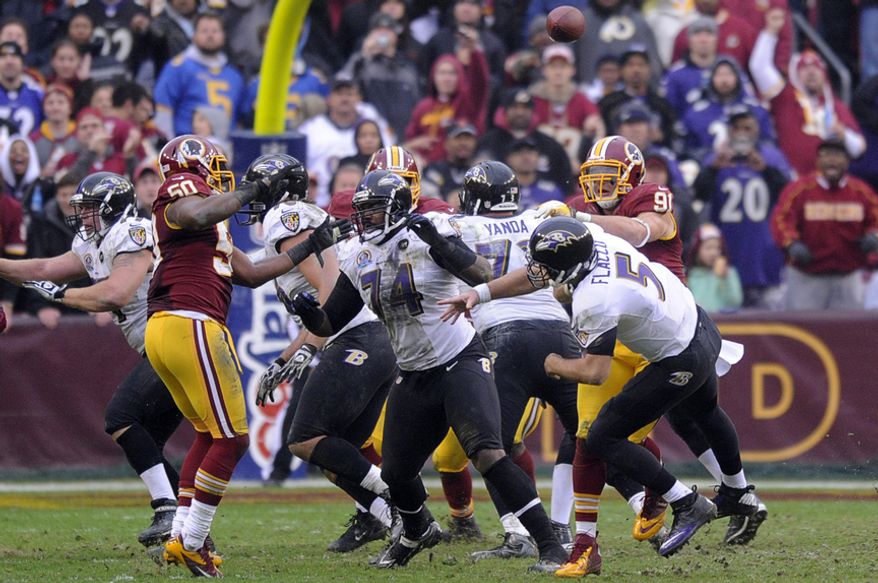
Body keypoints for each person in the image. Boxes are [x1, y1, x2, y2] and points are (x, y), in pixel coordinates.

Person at [439, 216, 763, 567]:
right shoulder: (592, 237)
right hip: (699, 324)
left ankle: (685, 501)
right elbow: (537, 275)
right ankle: (734, 490)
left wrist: (555, 364)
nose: (540, 272)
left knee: (602, 437)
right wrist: (480, 292)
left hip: (678, 357)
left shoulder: (595, 298)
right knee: (705, 413)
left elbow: (594, 372)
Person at [292, 169, 569, 572]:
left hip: (460, 360)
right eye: (361, 212)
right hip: (414, 372)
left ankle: (549, 545)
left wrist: (438, 243)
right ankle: (417, 530)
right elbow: (330, 323)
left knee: (489, 454)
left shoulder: (433, 229)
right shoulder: (358, 255)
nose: (363, 220)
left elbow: (481, 272)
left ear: (397, 209)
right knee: (397, 472)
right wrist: (309, 313)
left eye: (371, 212)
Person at [146, 134, 349, 577]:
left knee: (207, 435)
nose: (222, 177)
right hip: (190, 320)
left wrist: (310, 246)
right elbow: (198, 209)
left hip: (173, 326)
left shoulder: (208, 225)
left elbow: (254, 274)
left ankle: (182, 535)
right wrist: (253, 190)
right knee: (233, 439)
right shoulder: (183, 192)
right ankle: (194, 543)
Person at [0, 172, 184, 547]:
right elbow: (41, 269)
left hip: (176, 340)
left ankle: (168, 510)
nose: (83, 217)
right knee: (143, 440)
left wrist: (62, 295)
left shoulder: (132, 232)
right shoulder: (93, 239)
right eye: (81, 209)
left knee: (121, 418)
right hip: (160, 346)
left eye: (90, 210)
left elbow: (116, 293)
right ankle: (187, 525)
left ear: (113, 208)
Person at [247, 154, 399, 552]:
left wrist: (309, 347)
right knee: (335, 456)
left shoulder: (287, 217)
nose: (249, 196)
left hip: (357, 336)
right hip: (365, 337)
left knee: (305, 439)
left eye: (257, 187)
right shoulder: (298, 219)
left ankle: (404, 504)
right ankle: (380, 517)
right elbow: (318, 310)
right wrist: (284, 359)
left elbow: (330, 288)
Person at [451, 161, 581, 558]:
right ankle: (665, 500)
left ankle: (519, 532)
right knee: (593, 432)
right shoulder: (540, 219)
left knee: (494, 446)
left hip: (504, 337)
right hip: (560, 331)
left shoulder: (459, 226)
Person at [749, 9, 865, 177]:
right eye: (805, 69)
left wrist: (843, 134)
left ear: (824, 74)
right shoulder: (784, 98)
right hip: (791, 180)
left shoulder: (835, 107)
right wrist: (770, 32)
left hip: (826, 185)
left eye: (815, 68)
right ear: (795, 75)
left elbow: (859, 149)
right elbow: (759, 67)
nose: (811, 73)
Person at [694, 106, 790, 308]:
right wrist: (712, 169)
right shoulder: (716, 159)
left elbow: (788, 194)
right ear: (729, 132)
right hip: (726, 254)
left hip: (763, 252)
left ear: (757, 129)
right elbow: (698, 194)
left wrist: (765, 170)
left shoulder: (771, 157)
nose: (743, 133)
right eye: (737, 128)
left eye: (748, 127)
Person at [770, 139, 878, 310]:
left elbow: (875, 218)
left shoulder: (861, 192)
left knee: (849, 331)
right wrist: (791, 244)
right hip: (807, 276)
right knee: (803, 330)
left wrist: (873, 236)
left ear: (847, 161)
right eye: (826, 155)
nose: (832, 160)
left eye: (838, 155)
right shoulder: (800, 190)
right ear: (818, 160)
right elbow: (781, 219)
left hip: (848, 277)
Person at [154, 13, 246, 138]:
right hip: (187, 146)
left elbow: (240, 118)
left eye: (215, 31)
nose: (210, 35)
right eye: (204, 31)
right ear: (193, 36)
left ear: (223, 36)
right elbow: (163, 109)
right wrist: (169, 145)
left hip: (224, 148)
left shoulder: (234, 75)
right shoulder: (178, 67)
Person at [686, 223, 744, 311]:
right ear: (697, 249)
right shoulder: (687, 274)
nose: (713, 253)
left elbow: (735, 302)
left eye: (717, 248)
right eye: (708, 248)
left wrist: (723, 278)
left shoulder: (729, 273)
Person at [0, 41, 43, 137]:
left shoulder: (37, 94)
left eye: (14, 56)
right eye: (3, 56)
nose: (9, 61)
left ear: (23, 63)